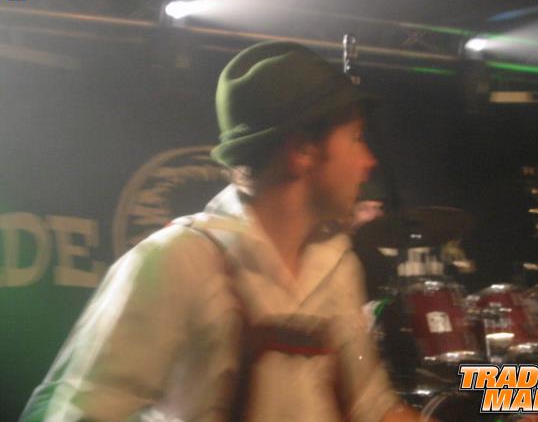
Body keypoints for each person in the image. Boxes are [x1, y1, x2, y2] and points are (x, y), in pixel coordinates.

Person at [20, 41, 426, 422]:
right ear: (302, 151)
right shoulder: (178, 260)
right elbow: (72, 412)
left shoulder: (337, 266)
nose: (368, 161)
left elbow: (372, 409)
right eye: (356, 138)